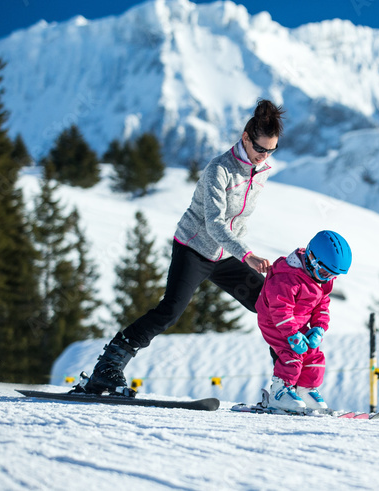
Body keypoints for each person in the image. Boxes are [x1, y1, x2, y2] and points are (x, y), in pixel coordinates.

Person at [75, 99, 286, 395]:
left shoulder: (258, 170)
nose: (263, 157)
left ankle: (286, 384)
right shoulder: (220, 169)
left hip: (225, 254)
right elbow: (214, 224)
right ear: (245, 138)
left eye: (271, 150)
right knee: (170, 311)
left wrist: (241, 253)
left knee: (269, 305)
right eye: (259, 148)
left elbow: (237, 219)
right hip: (194, 248)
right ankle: (107, 369)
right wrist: (247, 255)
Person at [257, 230, 352, 412]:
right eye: (324, 272)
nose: (327, 279)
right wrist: (292, 335)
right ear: (311, 258)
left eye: (332, 275)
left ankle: (305, 390)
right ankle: (280, 392)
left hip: (297, 323)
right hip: (274, 322)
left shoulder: (320, 281)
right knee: (291, 354)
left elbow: (322, 305)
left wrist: (319, 328)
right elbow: (280, 310)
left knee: (315, 355)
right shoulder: (286, 277)